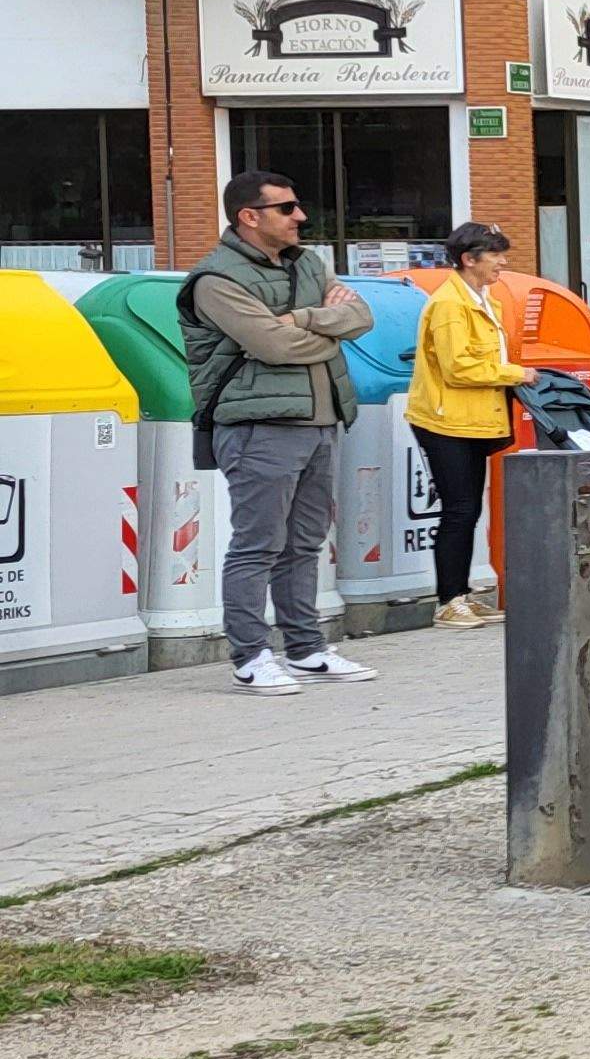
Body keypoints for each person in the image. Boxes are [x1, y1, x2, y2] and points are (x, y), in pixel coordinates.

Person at [181, 170, 378, 691]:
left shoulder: (307, 262)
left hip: (322, 421)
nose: (301, 217)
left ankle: (306, 649)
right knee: (258, 544)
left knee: (306, 542)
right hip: (258, 428)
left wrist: (298, 319)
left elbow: (361, 315)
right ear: (250, 216)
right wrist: (322, 329)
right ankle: (250, 655)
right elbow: (274, 347)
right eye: (287, 208)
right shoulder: (215, 280)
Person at [403, 222, 531, 631]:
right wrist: (516, 374)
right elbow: (458, 367)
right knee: (459, 510)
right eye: (494, 254)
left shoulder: (482, 300)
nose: (502, 262)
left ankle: (460, 594)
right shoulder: (450, 305)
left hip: (472, 420)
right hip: (445, 421)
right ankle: (448, 602)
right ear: (468, 260)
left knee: (469, 509)